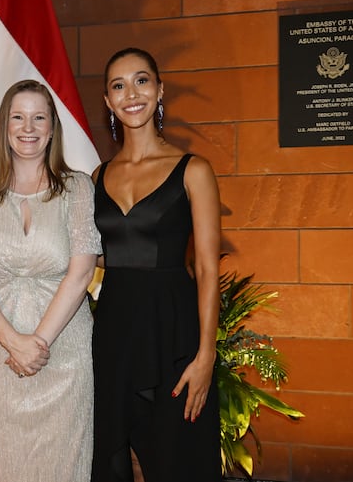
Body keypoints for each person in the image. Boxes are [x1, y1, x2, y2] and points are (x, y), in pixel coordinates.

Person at [0, 79, 101, 482]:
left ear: (53, 127)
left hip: (64, 350)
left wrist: (37, 345)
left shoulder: (77, 187)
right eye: (18, 117)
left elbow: (82, 271)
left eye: (39, 117)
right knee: (1, 461)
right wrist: (12, 342)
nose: (28, 127)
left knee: (63, 462)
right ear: (4, 126)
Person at [91, 47, 222, 481]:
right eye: (118, 85)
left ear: (160, 90)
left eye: (142, 80)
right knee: (109, 459)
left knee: (178, 460)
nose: (131, 93)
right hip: (113, 338)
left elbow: (206, 268)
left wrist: (206, 355)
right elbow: (82, 259)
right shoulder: (97, 176)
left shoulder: (194, 170)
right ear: (108, 102)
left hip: (173, 337)